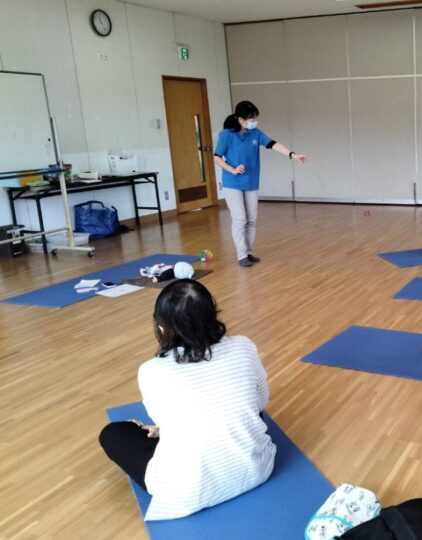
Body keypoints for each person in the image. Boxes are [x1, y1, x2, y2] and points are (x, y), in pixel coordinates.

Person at [98, 280, 276, 521]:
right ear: (212, 315)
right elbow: (261, 402)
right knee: (249, 410)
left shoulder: (151, 370)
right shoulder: (244, 346)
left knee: (112, 433)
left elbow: (163, 419)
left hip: (186, 492)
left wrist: (166, 429)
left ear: (162, 326)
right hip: (258, 469)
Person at [213, 100, 307, 267]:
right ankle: (241, 255)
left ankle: (248, 252)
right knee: (240, 219)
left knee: (251, 219)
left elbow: (273, 144)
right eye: (251, 118)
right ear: (240, 119)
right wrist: (232, 169)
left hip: (251, 182)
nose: (254, 121)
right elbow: (216, 157)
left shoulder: (255, 133)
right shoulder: (226, 135)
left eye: (255, 118)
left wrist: (293, 155)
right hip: (232, 182)